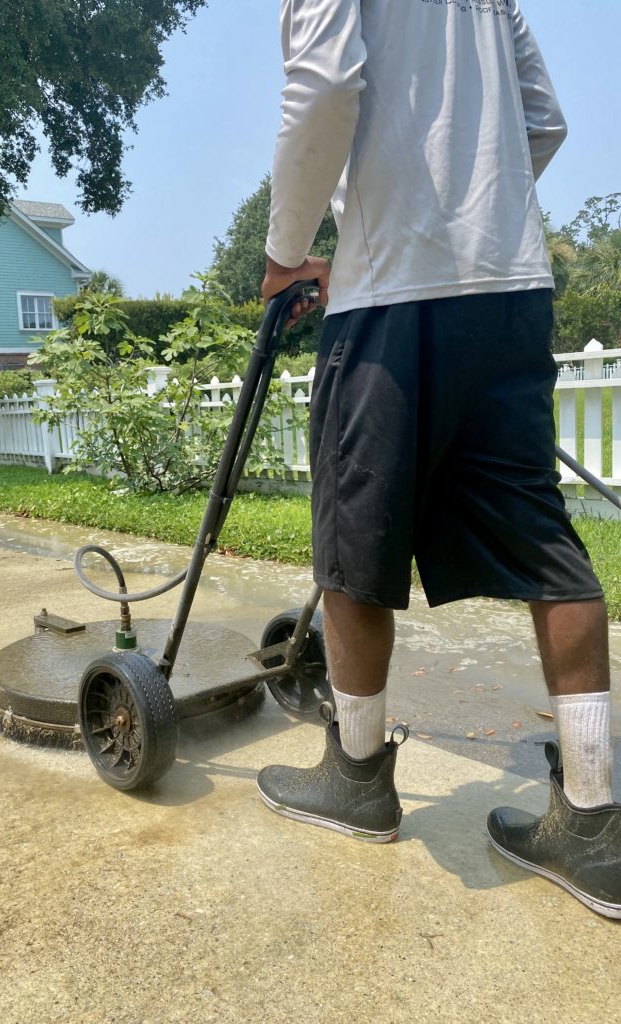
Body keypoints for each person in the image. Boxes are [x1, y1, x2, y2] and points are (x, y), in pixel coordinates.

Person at [257, 0, 620, 920]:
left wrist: (287, 252)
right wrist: (479, 208)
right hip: (508, 285)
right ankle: (594, 823)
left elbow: (328, 84)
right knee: (543, 539)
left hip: (392, 292)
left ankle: (357, 778)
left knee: (357, 536)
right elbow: (543, 117)